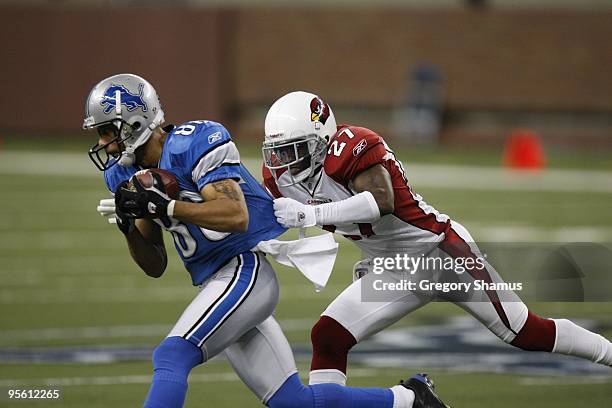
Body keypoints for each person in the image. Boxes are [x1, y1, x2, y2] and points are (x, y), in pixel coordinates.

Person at [84, 74, 451, 408]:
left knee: (172, 355)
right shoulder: (123, 174)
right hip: (215, 281)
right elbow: (155, 265)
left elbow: (235, 215)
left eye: (106, 131)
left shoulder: (193, 142)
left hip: (244, 271)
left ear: (134, 121)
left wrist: (169, 206)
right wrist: (129, 226)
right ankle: (410, 400)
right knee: (294, 402)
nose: (103, 143)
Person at [262, 91, 612, 387]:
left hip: (442, 254)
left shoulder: (353, 146)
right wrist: (263, 241)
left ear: (322, 139)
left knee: (523, 332)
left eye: (295, 149)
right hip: (394, 269)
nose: (283, 161)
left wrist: (312, 214)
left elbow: (379, 203)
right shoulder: (280, 176)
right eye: (278, 151)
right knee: (328, 336)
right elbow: (263, 217)